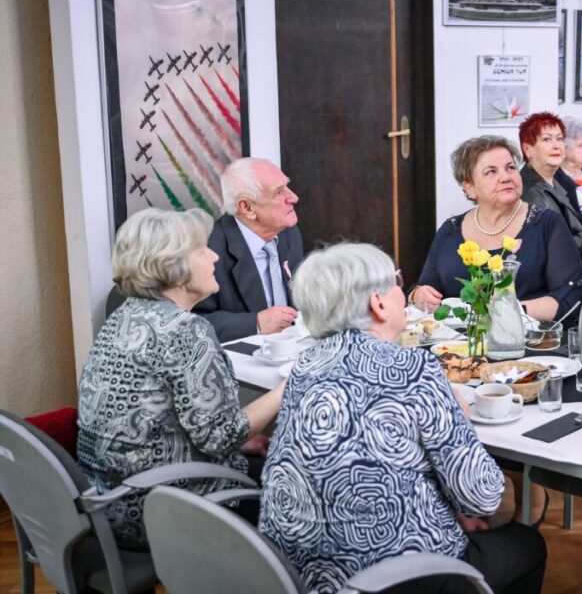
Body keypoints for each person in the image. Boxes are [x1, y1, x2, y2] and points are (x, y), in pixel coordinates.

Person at [259, 242, 546, 593]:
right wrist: (459, 418)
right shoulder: (412, 368)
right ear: (378, 304)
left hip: (295, 572)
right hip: (390, 577)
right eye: (397, 283)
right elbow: (483, 496)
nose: (402, 292)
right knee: (527, 546)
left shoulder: (304, 366)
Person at [77, 208, 285, 547]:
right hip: (156, 508)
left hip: (106, 498)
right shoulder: (186, 330)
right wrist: (289, 385)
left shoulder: (125, 314)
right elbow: (222, 438)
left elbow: (157, 414)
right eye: (203, 249)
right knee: (292, 480)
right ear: (174, 267)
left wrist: (243, 439)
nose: (215, 255)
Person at [410, 135, 582, 323]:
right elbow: (425, 287)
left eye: (510, 168)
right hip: (456, 346)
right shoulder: (450, 230)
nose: (505, 177)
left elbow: (571, 298)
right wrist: (417, 295)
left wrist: (507, 310)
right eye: (491, 172)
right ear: (469, 188)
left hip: (528, 344)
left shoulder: (547, 224)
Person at [194, 158, 305, 342]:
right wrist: (256, 323)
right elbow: (189, 324)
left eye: (287, 186)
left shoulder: (289, 232)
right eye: (279, 192)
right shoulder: (207, 250)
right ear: (246, 207)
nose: (293, 197)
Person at [518, 112, 582, 254]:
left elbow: (563, 225)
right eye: (547, 139)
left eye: (559, 139)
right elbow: (555, 250)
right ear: (528, 149)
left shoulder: (551, 181)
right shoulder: (532, 192)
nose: (556, 146)